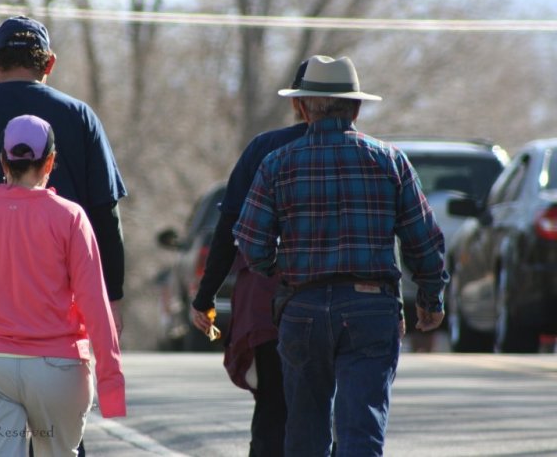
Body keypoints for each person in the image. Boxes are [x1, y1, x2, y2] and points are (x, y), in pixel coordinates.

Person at [233, 55, 448, 456]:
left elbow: (251, 243)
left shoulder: (276, 163)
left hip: (302, 307)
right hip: (371, 307)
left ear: (302, 107)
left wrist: (283, 270)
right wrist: (430, 298)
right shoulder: (389, 161)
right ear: (356, 107)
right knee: (360, 430)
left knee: (304, 433)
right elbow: (424, 240)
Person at [0, 15, 126, 336]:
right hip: (61, 285)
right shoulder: (79, 116)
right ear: (50, 63)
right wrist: (111, 297)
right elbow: (105, 213)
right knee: (57, 355)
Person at [0, 115, 125, 456]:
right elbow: (95, 304)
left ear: (2, 162)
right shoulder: (71, 217)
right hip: (58, 371)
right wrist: (112, 387)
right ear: (51, 162)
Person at [190, 60, 309, 457]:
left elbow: (230, 226)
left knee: (273, 408)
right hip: (346, 306)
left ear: (298, 104)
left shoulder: (266, 149)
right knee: (328, 411)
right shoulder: (371, 156)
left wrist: (205, 297)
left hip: (270, 301)